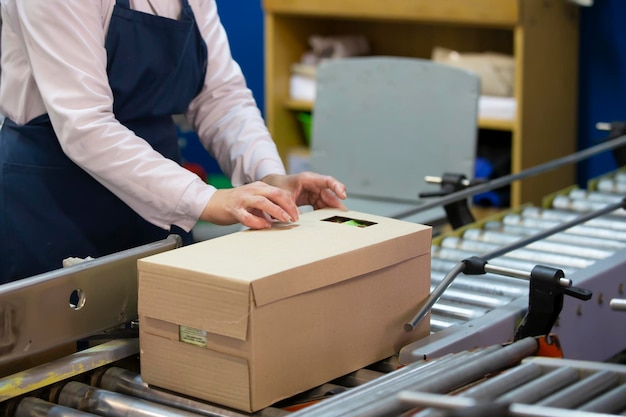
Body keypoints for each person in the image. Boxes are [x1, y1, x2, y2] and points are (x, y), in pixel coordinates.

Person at [0, 0, 347, 284]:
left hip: (158, 203)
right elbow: (85, 124)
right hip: (52, 202)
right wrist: (206, 200)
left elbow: (219, 97)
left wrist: (269, 178)